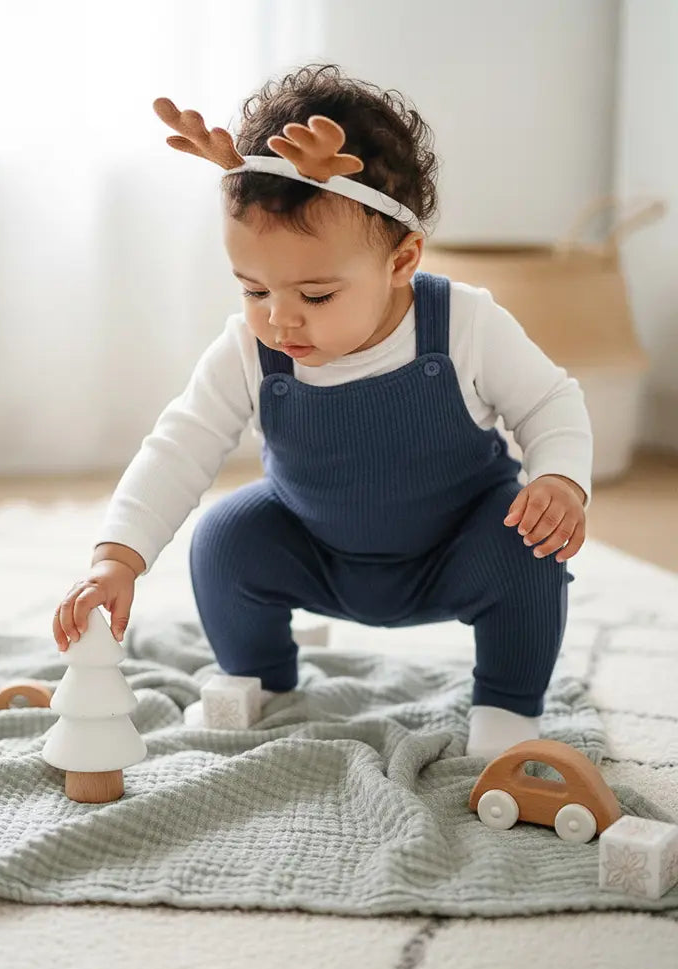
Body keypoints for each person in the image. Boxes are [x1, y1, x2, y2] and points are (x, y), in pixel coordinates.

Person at [52, 63, 591, 758]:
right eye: (253, 290)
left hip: (457, 548)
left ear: (403, 260)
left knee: (528, 546)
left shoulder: (462, 323)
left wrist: (560, 480)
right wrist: (116, 556)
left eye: (316, 296)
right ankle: (262, 677)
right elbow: (180, 444)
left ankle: (509, 708)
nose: (280, 320)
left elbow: (553, 401)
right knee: (226, 538)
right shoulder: (251, 349)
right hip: (318, 550)